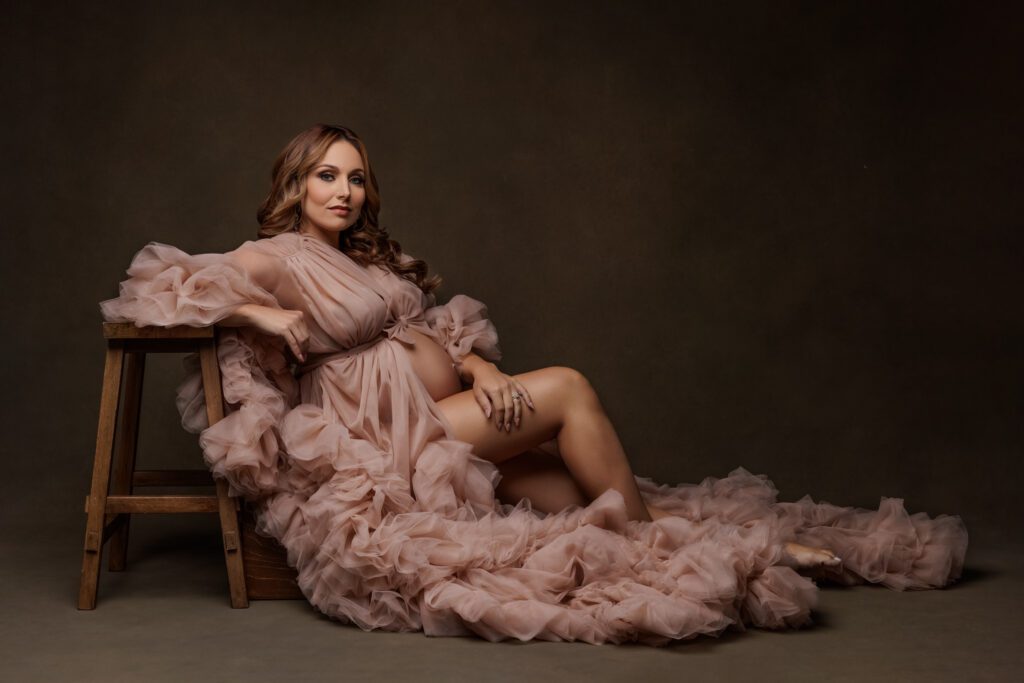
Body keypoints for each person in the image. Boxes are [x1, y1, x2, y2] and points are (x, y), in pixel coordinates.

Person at [99, 123, 968, 646]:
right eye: (328, 173)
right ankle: (671, 541)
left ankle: (724, 542)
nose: (346, 190)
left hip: (440, 410)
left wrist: (477, 365)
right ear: (294, 182)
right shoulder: (274, 255)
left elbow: (424, 328)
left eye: (357, 176)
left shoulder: (359, 255)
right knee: (571, 391)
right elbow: (151, 294)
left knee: (566, 499)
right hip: (387, 434)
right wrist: (257, 318)